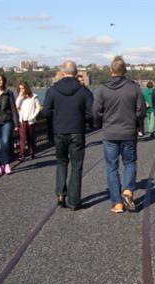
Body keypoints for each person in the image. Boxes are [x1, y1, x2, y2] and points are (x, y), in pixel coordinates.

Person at [93, 56, 146, 213]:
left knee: (112, 168)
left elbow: (95, 111)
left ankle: (117, 203)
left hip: (109, 133)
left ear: (111, 71)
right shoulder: (134, 88)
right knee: (129, 163)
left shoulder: (102, 89)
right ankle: (128, 191)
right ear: (125, 71)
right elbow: (141, 111)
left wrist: (101, 124)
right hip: (129, 132)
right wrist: (135, 123)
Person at [43, 61, 94, 211]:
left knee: (61, 162)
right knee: (76, 166)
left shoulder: (52, 90)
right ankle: (74, 201)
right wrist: (80, 119)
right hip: (76, 131)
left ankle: (60, 193)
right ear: (76, 71)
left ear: (62, 72)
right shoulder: (84, 91)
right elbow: (91, 113)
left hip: (59, 131)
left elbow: (45, 112)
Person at [15, 81, 41, 161]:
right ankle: (22, 154)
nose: (22, 90)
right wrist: (19, 96)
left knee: (30, 137)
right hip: (22, 119)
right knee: (22, 137)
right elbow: (16, 105)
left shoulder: (33, 97)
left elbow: (38, 107)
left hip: (31, 120)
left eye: (23, 88)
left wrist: (33, 116)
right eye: (20, 89)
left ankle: (32, 152)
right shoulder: (21, 97)